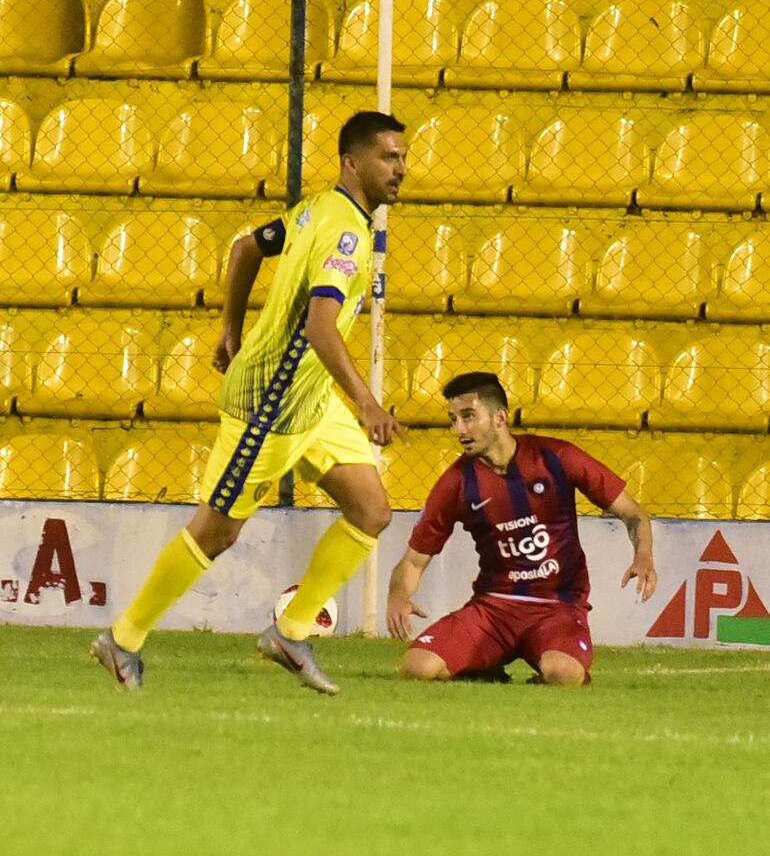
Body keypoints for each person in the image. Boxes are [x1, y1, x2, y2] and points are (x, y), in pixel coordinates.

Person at [91, 111, 408, 695]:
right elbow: (320, 327)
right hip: (270, 407)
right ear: (353, 162)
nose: (400, 169)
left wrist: (229, 330)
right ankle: (123, 638)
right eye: (388, 157)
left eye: (402, 157)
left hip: (310, 403)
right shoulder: (344, 233)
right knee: (217, 532)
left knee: (372, 510)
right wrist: (366, 402)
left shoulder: (316, 208)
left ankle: (291, 632)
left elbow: (244, 248)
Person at [387, 372, 657, 686]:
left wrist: (644, 557)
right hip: (493, 610)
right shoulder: (456, 483)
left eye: (468, 417)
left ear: (500, 417)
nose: (458, 429)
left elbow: (633, 512)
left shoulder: (556, 458)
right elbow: (414, 560)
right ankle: (482, 667)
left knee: (563, 673)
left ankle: (506, 669)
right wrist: (398, 594)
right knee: (417, 667)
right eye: (453, 419)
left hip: (558, 610)